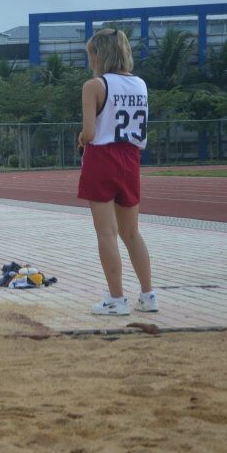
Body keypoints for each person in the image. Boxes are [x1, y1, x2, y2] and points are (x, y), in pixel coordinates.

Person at [77, 28, 157, 316]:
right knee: (131, 233)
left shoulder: (94, 86)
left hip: (102, 157)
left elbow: (89, 131)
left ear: (99, 54)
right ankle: (148, 295)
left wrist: (81, 139)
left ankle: (116, 298)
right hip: (131, 158)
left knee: (107, 233)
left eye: (90, 55)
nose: (90, 61)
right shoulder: (140, 84)